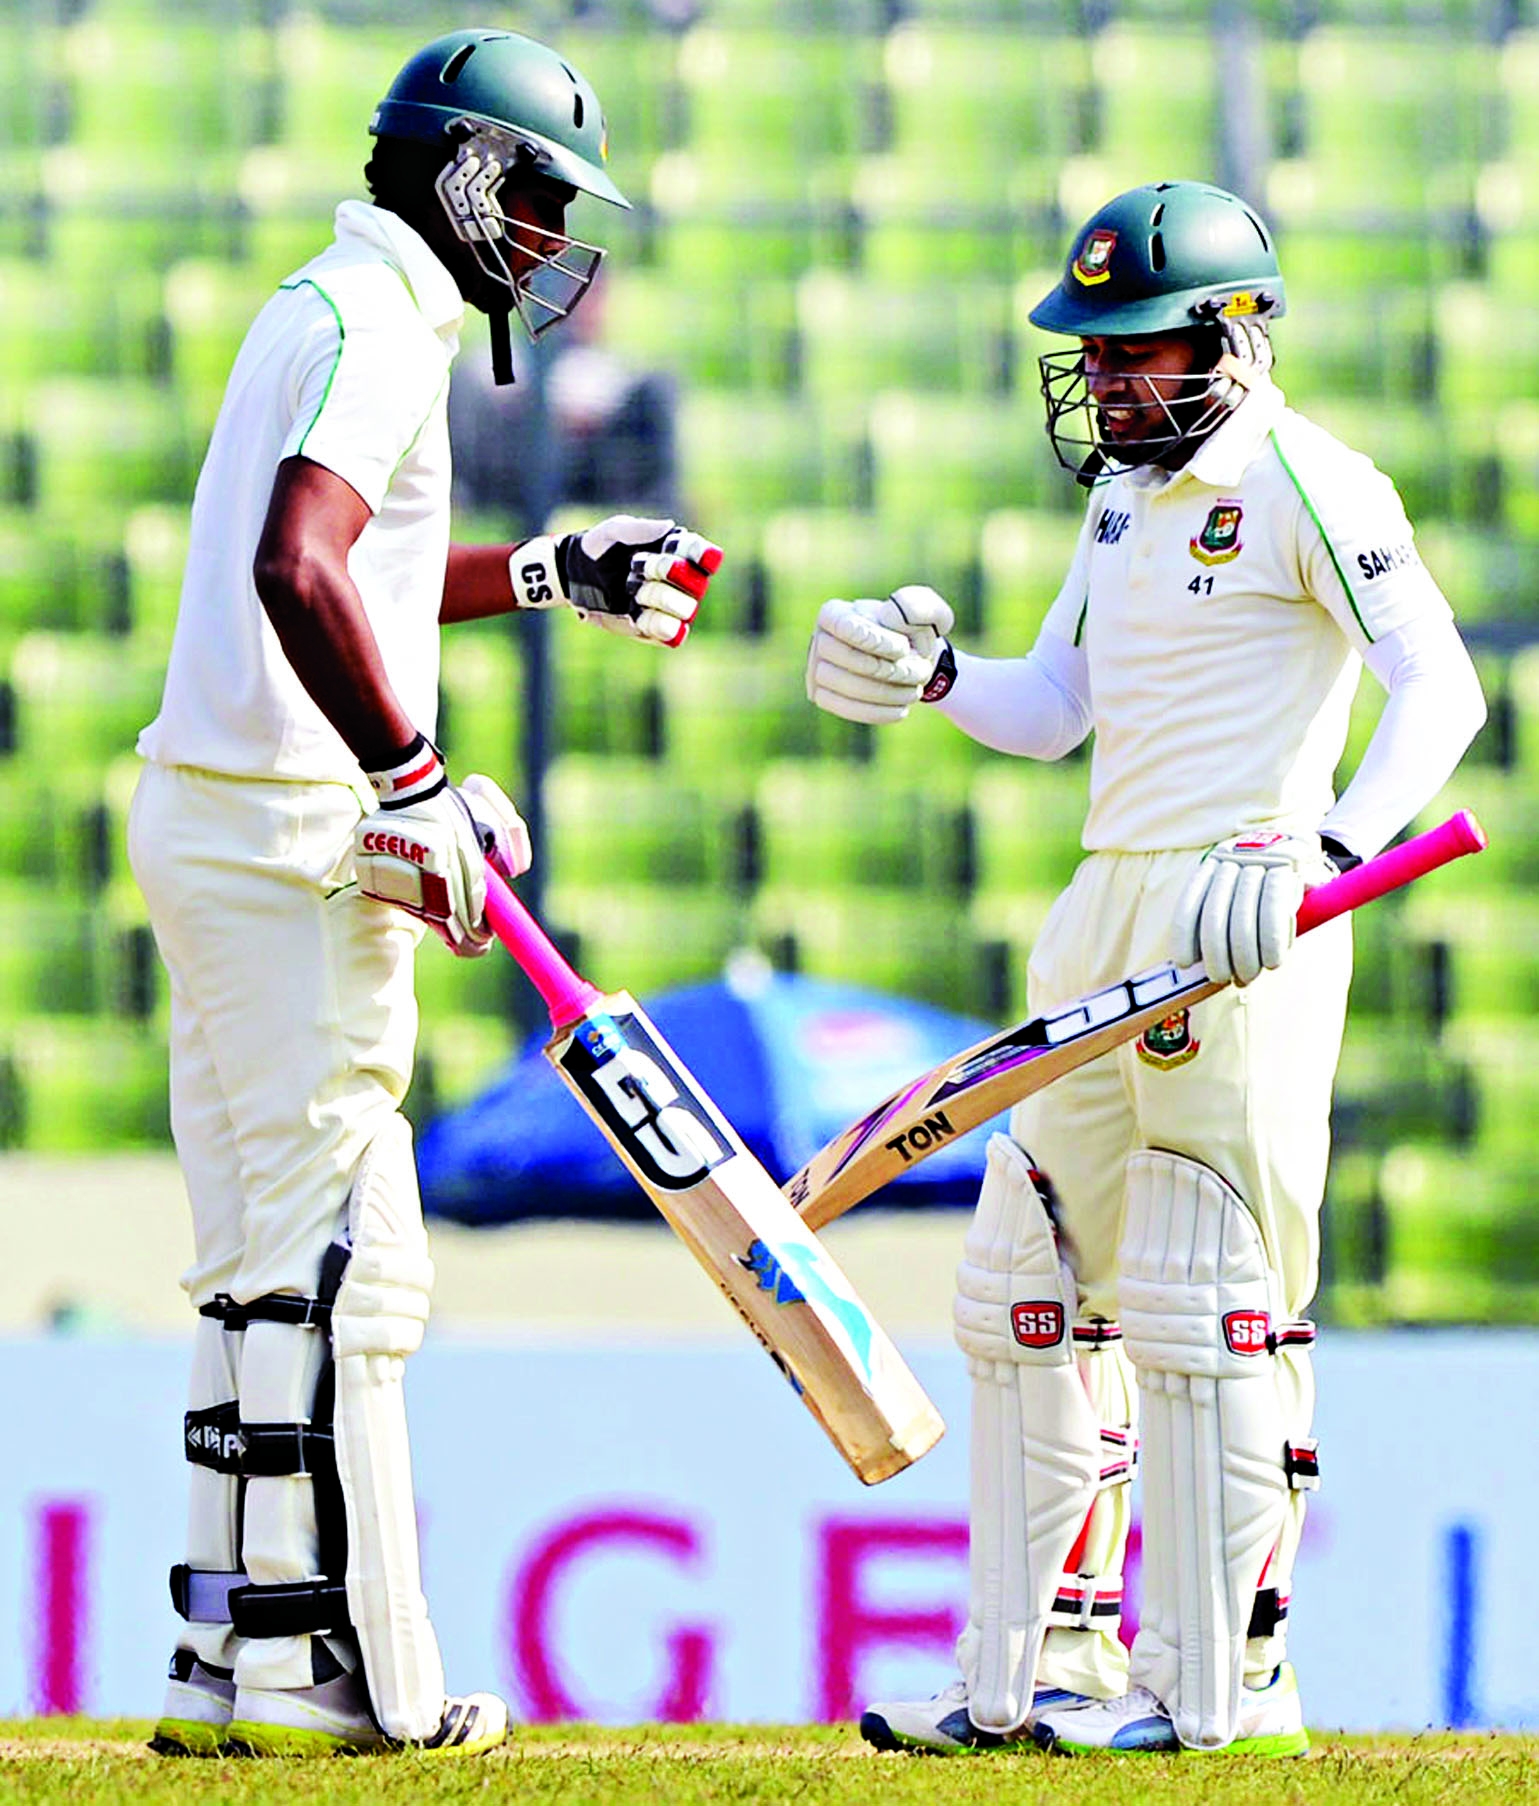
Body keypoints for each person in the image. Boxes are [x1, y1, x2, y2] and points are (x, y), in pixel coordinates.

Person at [805, 181, 1485, 1757]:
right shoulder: (1120, 502)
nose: (1103, 381)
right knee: (1026, 1287)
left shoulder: (1312, 477)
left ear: (1232, 338)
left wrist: (1321, 852)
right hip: (1105, 905)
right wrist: (938, 677)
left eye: (1133, 352)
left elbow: (1434, 685)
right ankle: (1033, 1675)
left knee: (1202, 1292)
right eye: (1093, 354)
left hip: (1243, 917)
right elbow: (1055, 707)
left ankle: (1220, 1687)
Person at [129, 28, 720, 1759]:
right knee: (352, 1260)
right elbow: (293, 564)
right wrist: (413, 774)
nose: (548, 243)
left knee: (254, 1261)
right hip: (292, 831)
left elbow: (352, 567)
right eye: (537, 203)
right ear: (465, 175)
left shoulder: (324, 299)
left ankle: (226, 1661)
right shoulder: (383, 324)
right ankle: (353, 1680)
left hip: (214, 812)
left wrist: (547, 569)